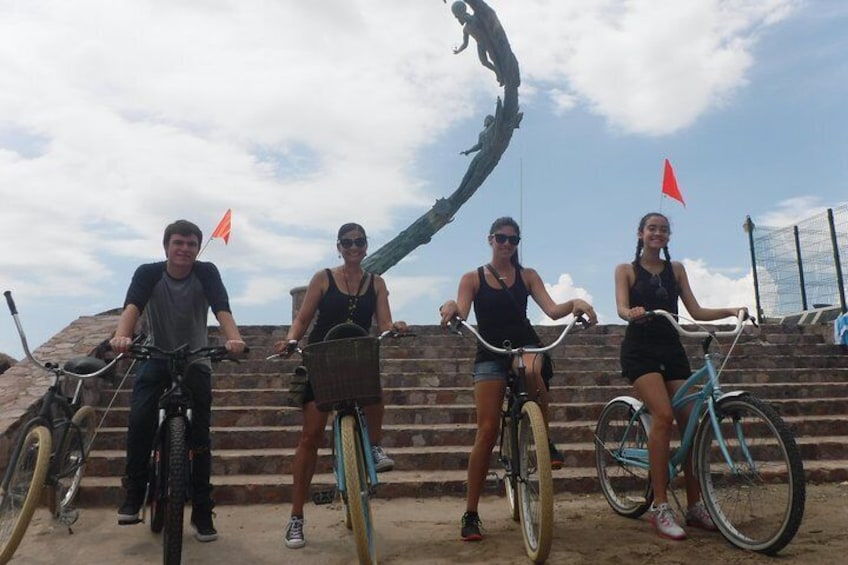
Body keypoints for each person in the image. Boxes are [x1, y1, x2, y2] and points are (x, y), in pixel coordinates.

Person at [439, 216, 597, 542]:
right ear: (490, 239)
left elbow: (553, 310)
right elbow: (463, 312)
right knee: (486, 431)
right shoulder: (473, 278)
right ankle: (471, 512)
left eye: (513, 239)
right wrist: (451, 305)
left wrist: (576, 304)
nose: (507, 245)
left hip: (524, 344)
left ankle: (544, 437)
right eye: (501, 238)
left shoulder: (527, 276)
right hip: (490, 351)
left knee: (534, 369)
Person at [111, 219, 246, 542]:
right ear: (166, 246)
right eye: (178, 243)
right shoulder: (148, 273)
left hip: (196, 358)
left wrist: (235, 340)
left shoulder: (207, 273)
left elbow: (221, 309)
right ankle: (134, 491)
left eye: (191, 244)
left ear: (198, 249)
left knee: (200, 436)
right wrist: (121, 336)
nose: (184, 249)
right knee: (141, 417)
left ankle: (201, 510)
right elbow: (133, 307)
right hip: (155, 355)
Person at [614, 212, 746, 541]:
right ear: (640, 233)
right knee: (663, 415)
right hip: (640, 350)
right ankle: (660, 507)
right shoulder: (626, 270)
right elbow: (619, 307)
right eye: (652, 229)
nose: (658, 233)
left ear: (668, 236)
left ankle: (695, 506)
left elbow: (695, 311)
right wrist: (630, 312)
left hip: (672, 347)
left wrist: (731, 310)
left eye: (663, 229)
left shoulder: (676, 270)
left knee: (691, 422)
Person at [275, 222, 407, 550]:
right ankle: (296, 516)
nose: (353, 247)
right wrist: (292, 340)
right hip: (321, 356)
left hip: (358, 354)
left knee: (374, 391)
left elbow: (384, 321)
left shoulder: (376, 282)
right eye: (347, 242)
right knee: (310, 435)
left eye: (358, 242)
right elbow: (303, 319)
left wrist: (396, 327)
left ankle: (373, 446)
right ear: (338, 246)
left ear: (365, 246)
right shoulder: (323, 278)